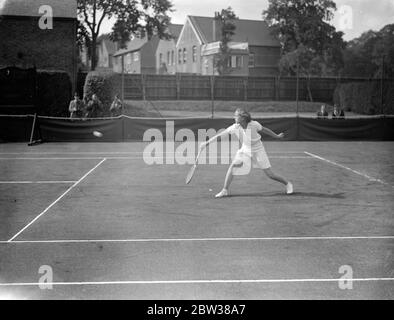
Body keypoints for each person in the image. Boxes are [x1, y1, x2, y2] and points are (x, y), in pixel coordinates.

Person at [199, 108, 293, 198]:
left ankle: (288, 184)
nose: (234, 117)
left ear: (243, 118)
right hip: (245, 149)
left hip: (258, 149)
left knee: (270, 174)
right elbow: (220, 136)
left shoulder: (254, 124)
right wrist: (206, 143)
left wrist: (276, 136)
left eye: (236, 116)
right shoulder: (235, 127)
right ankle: (225, 190)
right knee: (233, 166)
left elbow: (264, 130)